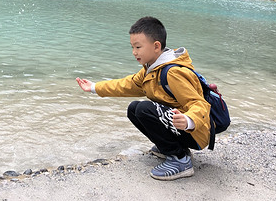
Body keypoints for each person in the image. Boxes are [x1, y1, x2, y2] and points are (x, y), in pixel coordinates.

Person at [76, 16, 210, 181]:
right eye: (132, 47)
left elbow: (199, 103)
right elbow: (126, 85)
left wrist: (189, 119)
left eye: (138, 47)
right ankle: (171, 148)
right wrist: (95, 87)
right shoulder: (151, 69)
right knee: (134, 109)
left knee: (143, 109)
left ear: (156, 46)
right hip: (180, 128)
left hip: (195, 131)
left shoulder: (173, 73)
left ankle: (180, 160)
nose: (134, 52)